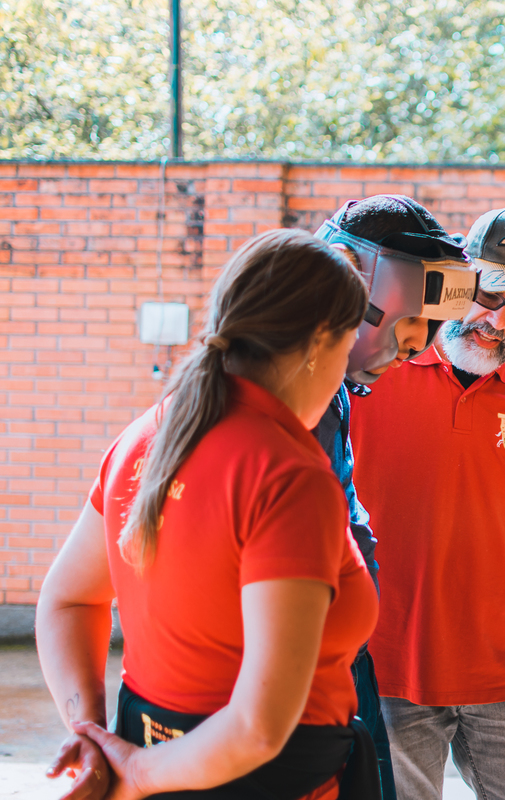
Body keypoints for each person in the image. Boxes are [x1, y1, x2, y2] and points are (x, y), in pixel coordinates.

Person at [36, 228, 377, 800]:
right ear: (320, 342)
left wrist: (93, 736)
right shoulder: (290, 474)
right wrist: (137, 772)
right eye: (346, 350)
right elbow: (257, 727)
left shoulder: (147, 437)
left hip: (153, 767)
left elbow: (68, 599)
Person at [349, 208, 505, 800]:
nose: (497, 321)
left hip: (502, 676)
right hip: (386, 672)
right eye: (488, 295)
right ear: (458, 284)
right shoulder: (376, 370)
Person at [311, 194, 477, 800]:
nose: (416, 350)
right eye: (412, 328)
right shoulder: (282, 420)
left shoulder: (334, 399)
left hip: (341, 677)